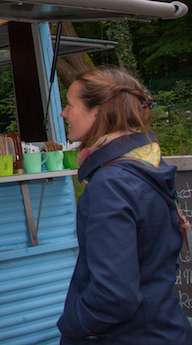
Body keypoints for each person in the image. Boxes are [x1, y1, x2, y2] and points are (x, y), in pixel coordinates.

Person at [57, 66, 192, 344]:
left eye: (70, 105)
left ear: (98, 113)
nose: (63, 113)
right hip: (163, 328)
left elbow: (113, 295)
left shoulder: (111, 184)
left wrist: (70, 325)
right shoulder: (148, 163)